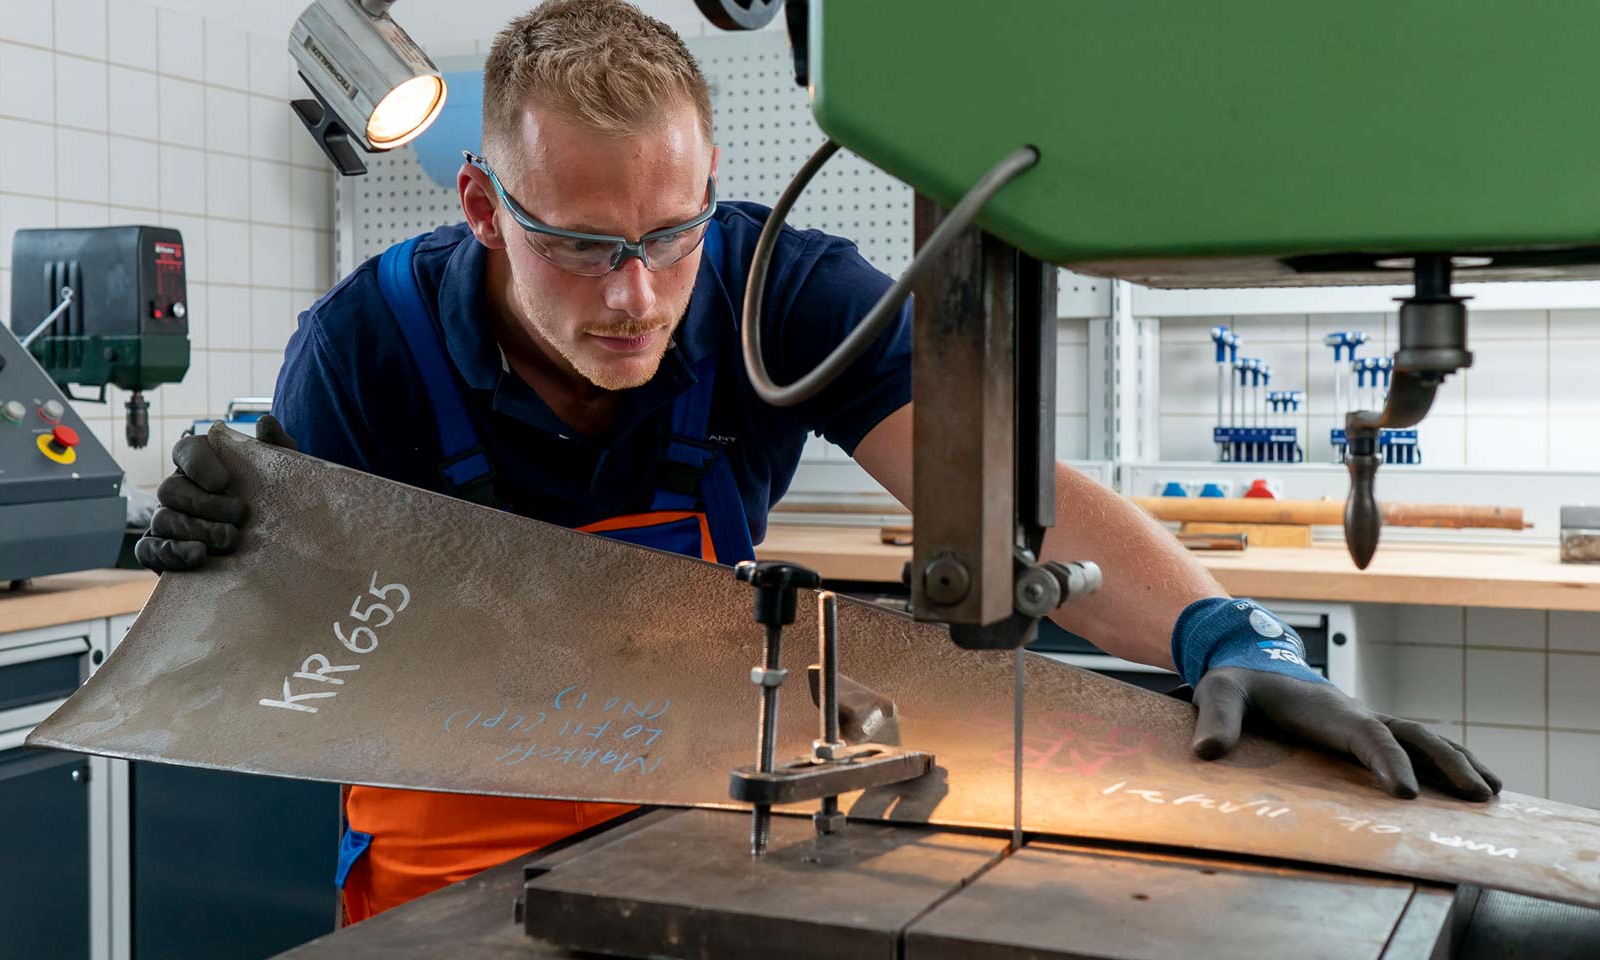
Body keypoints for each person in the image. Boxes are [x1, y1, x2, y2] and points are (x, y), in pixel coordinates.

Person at [136, 0, 1497, 923]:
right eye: (582, 248)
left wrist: (1225, 633)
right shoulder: (364, 345)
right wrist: (217, 554)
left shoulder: (777, 288)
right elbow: (285, 638)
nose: (637, 296)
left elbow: (1006, 500)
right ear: (484, 206)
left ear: (716, 182)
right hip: (444, 870)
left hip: (685, 823)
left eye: (670, 236)